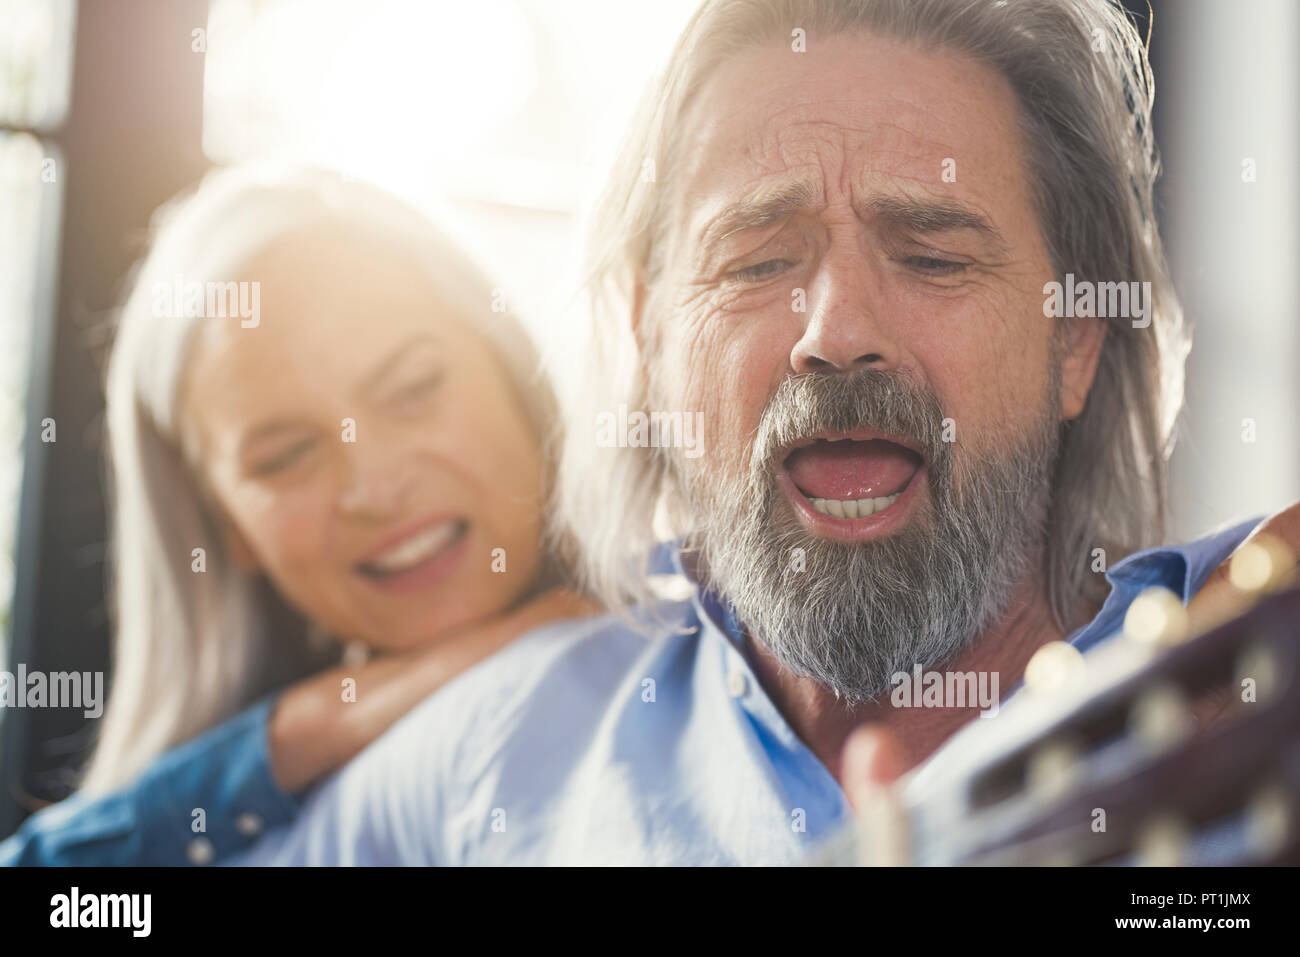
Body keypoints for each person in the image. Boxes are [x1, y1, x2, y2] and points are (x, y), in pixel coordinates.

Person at [226, 0, 1299, 867]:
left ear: (1073, 344)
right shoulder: (502, 746)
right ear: (649, 339)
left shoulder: (1248, 665)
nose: (835, 334)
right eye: (754, 263)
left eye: (931, 256)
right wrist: (293, 737)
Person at [0, 164, 591, 865]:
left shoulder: (711, 643)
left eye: (412, 389)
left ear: (515, 376)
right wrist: (296, 735)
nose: (373, 487)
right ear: (225, 528)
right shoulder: (253, 823)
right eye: (285, 457)